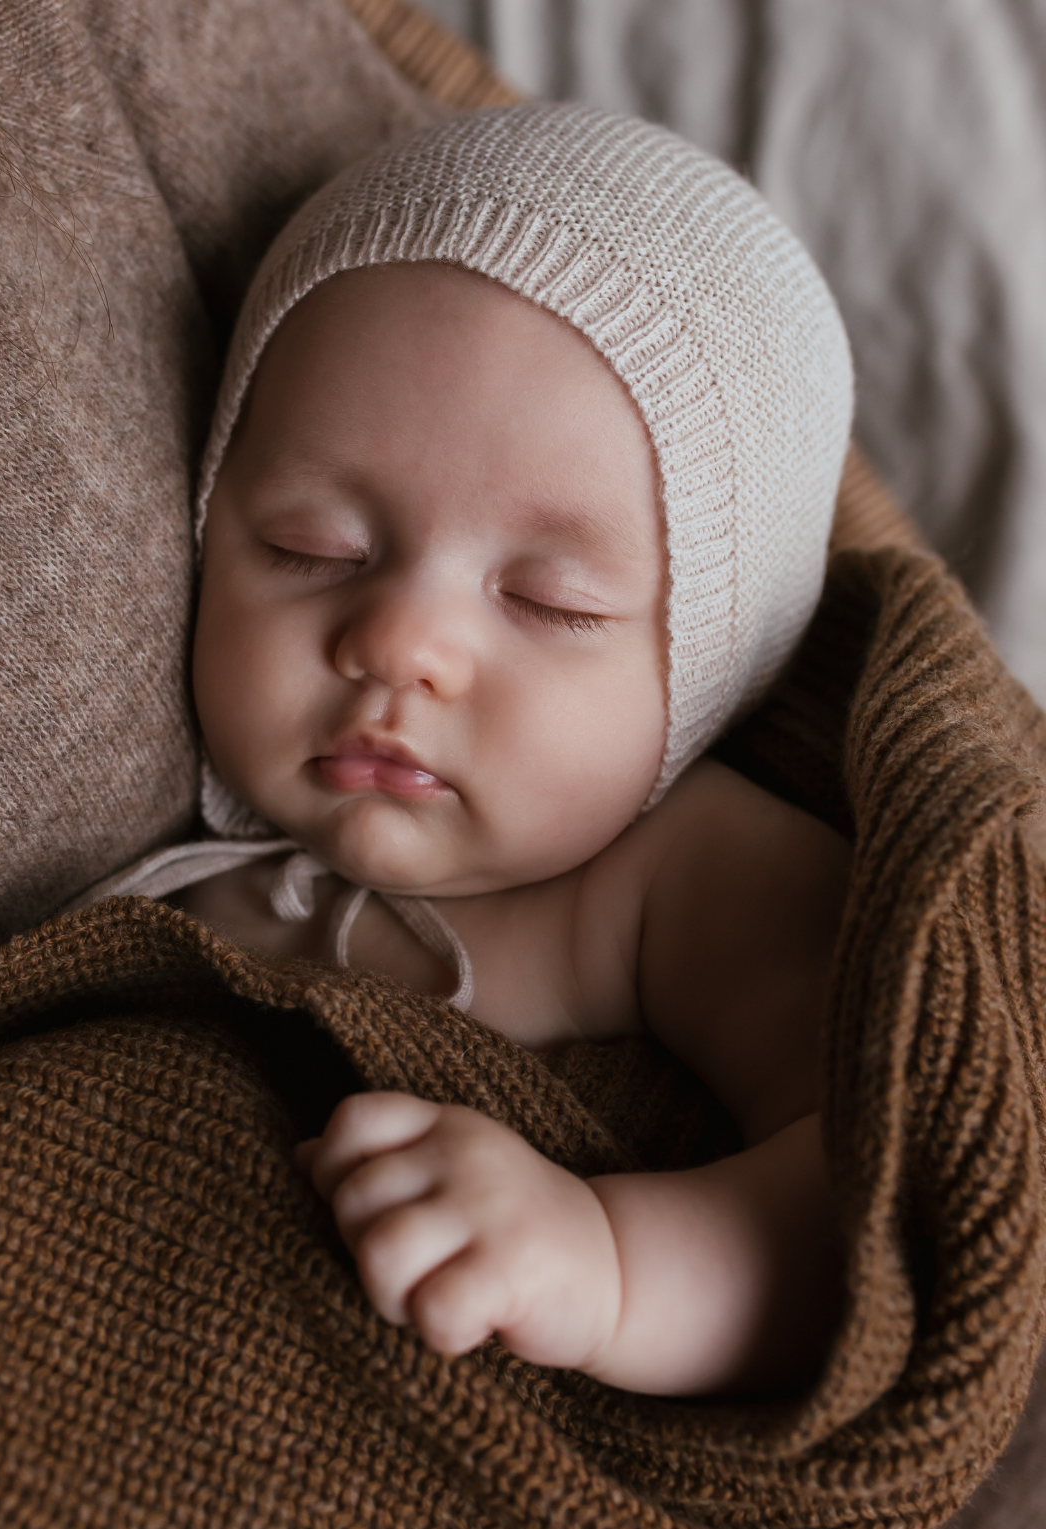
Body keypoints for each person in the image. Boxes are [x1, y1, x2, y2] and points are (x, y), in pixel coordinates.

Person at [107, 101, 852, 1402]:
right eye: (312, 549)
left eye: (551, 602)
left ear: (716, 665)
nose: (399, 644)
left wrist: (609, 1264)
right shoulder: (161, 854)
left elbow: (879, 1186)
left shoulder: (678, 871)